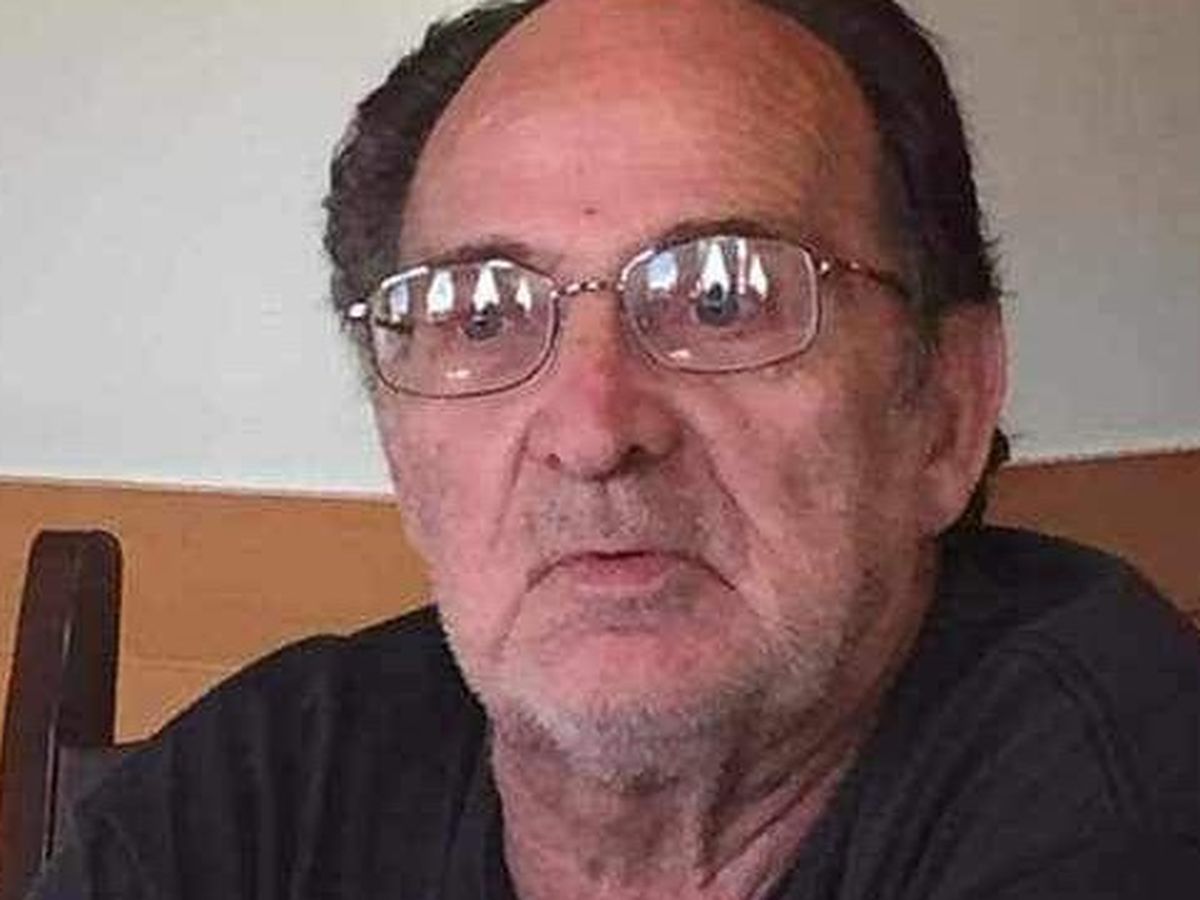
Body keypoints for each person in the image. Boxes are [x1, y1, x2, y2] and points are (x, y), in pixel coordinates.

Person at [32, 0, 1200, 897]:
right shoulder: (266, 783)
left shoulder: (1124, 796)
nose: (594, 431)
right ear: (398, 443)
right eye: (481, 314)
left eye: (724, 297)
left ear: (944, 409)